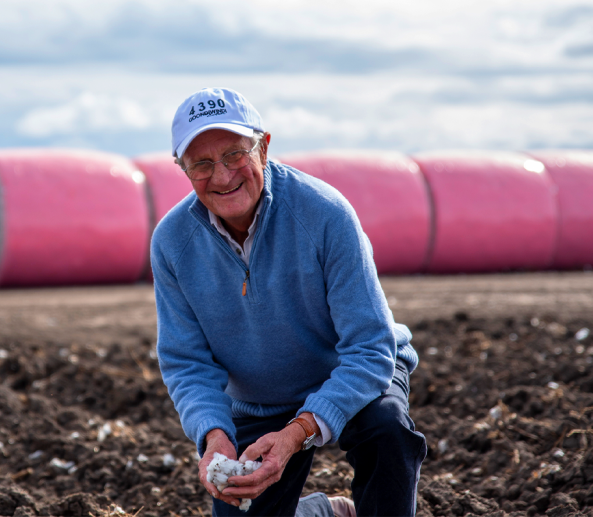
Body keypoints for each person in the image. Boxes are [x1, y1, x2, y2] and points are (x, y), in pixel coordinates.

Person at [150, 87, 427, 517]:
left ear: (263, 147)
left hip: (351, 377)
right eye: (201, 163)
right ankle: (321, 513)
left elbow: (371, 348)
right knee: (242, 506)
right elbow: (186, 362)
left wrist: (299, 429)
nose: (222, 176)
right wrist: (214, 434)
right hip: (257, 401)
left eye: (235, 155)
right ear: (181, 169)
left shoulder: (325, 214)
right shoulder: (172, 242)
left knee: (386, 431)